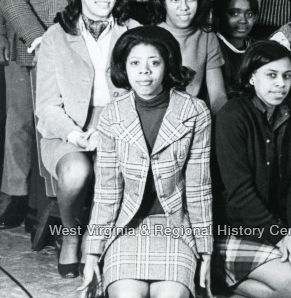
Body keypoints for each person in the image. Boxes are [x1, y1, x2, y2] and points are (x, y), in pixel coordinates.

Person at [0, 0, 102, 230]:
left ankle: (52, 208)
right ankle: (15, 197)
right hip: (34, 41)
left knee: (66, 122)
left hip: (76, 43)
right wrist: (42, 40)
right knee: (24, 121)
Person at [79, 26, 212, 298]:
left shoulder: (195, 112)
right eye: (135, 63)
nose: (144, 72)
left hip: (175, 225)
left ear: (168, 65)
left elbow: (199, 188)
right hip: (127, 226)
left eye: (154, 63)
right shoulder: (112, 115)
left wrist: (205, 249)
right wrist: (92, 254)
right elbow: (106, 191)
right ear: (123, 68)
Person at [34, 0, 133, 276]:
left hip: (119, 124)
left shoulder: (132, 31)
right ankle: (71, 235)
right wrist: (75, 135)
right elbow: (47, 106)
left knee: (116, 167)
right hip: (67, 129)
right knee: (76, 172)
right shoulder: (55, 36)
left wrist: (113, 129)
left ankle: (99, 236)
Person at [212, 41, 291, 296]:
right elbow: (239, 195)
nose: (281, 83)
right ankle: (220, 283)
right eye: (271, 75)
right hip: (239, 227)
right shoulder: (232, 116)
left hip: (278, 225)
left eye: (287, 76)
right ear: (251, 78)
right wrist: (280, 237)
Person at [149, 0, 228, 113]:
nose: (184, 7)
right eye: (174, 0)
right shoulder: (149, 36)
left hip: (192, 119)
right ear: (163, 1)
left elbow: (218, 96)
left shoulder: (207, 38)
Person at [213, 0, 259, 99]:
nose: (243, 20)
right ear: (219, 16)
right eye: (234, 13)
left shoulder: (259, 47)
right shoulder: (212, 47)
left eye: (249, 14)